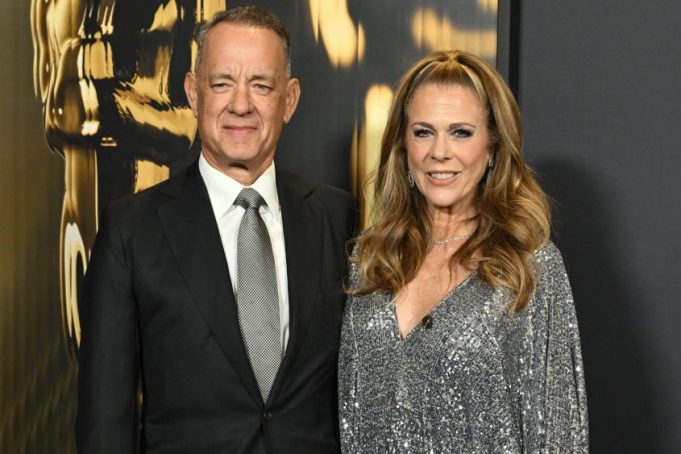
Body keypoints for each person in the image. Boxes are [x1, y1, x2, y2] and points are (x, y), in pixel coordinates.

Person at [76, 6, 356, 453]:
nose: (240, 104)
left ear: (290, 99)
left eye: (261, 85)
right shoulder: (131, 231)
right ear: (193, 91)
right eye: (221, 83)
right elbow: (104, 423)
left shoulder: (338, 217)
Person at [338, 50, 588, 453]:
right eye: (423, 132)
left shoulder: (529, 266)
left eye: (460, 132)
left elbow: (560, 435)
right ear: (403, 148)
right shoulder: (369, 261)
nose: (440, 152)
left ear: (492, 147)